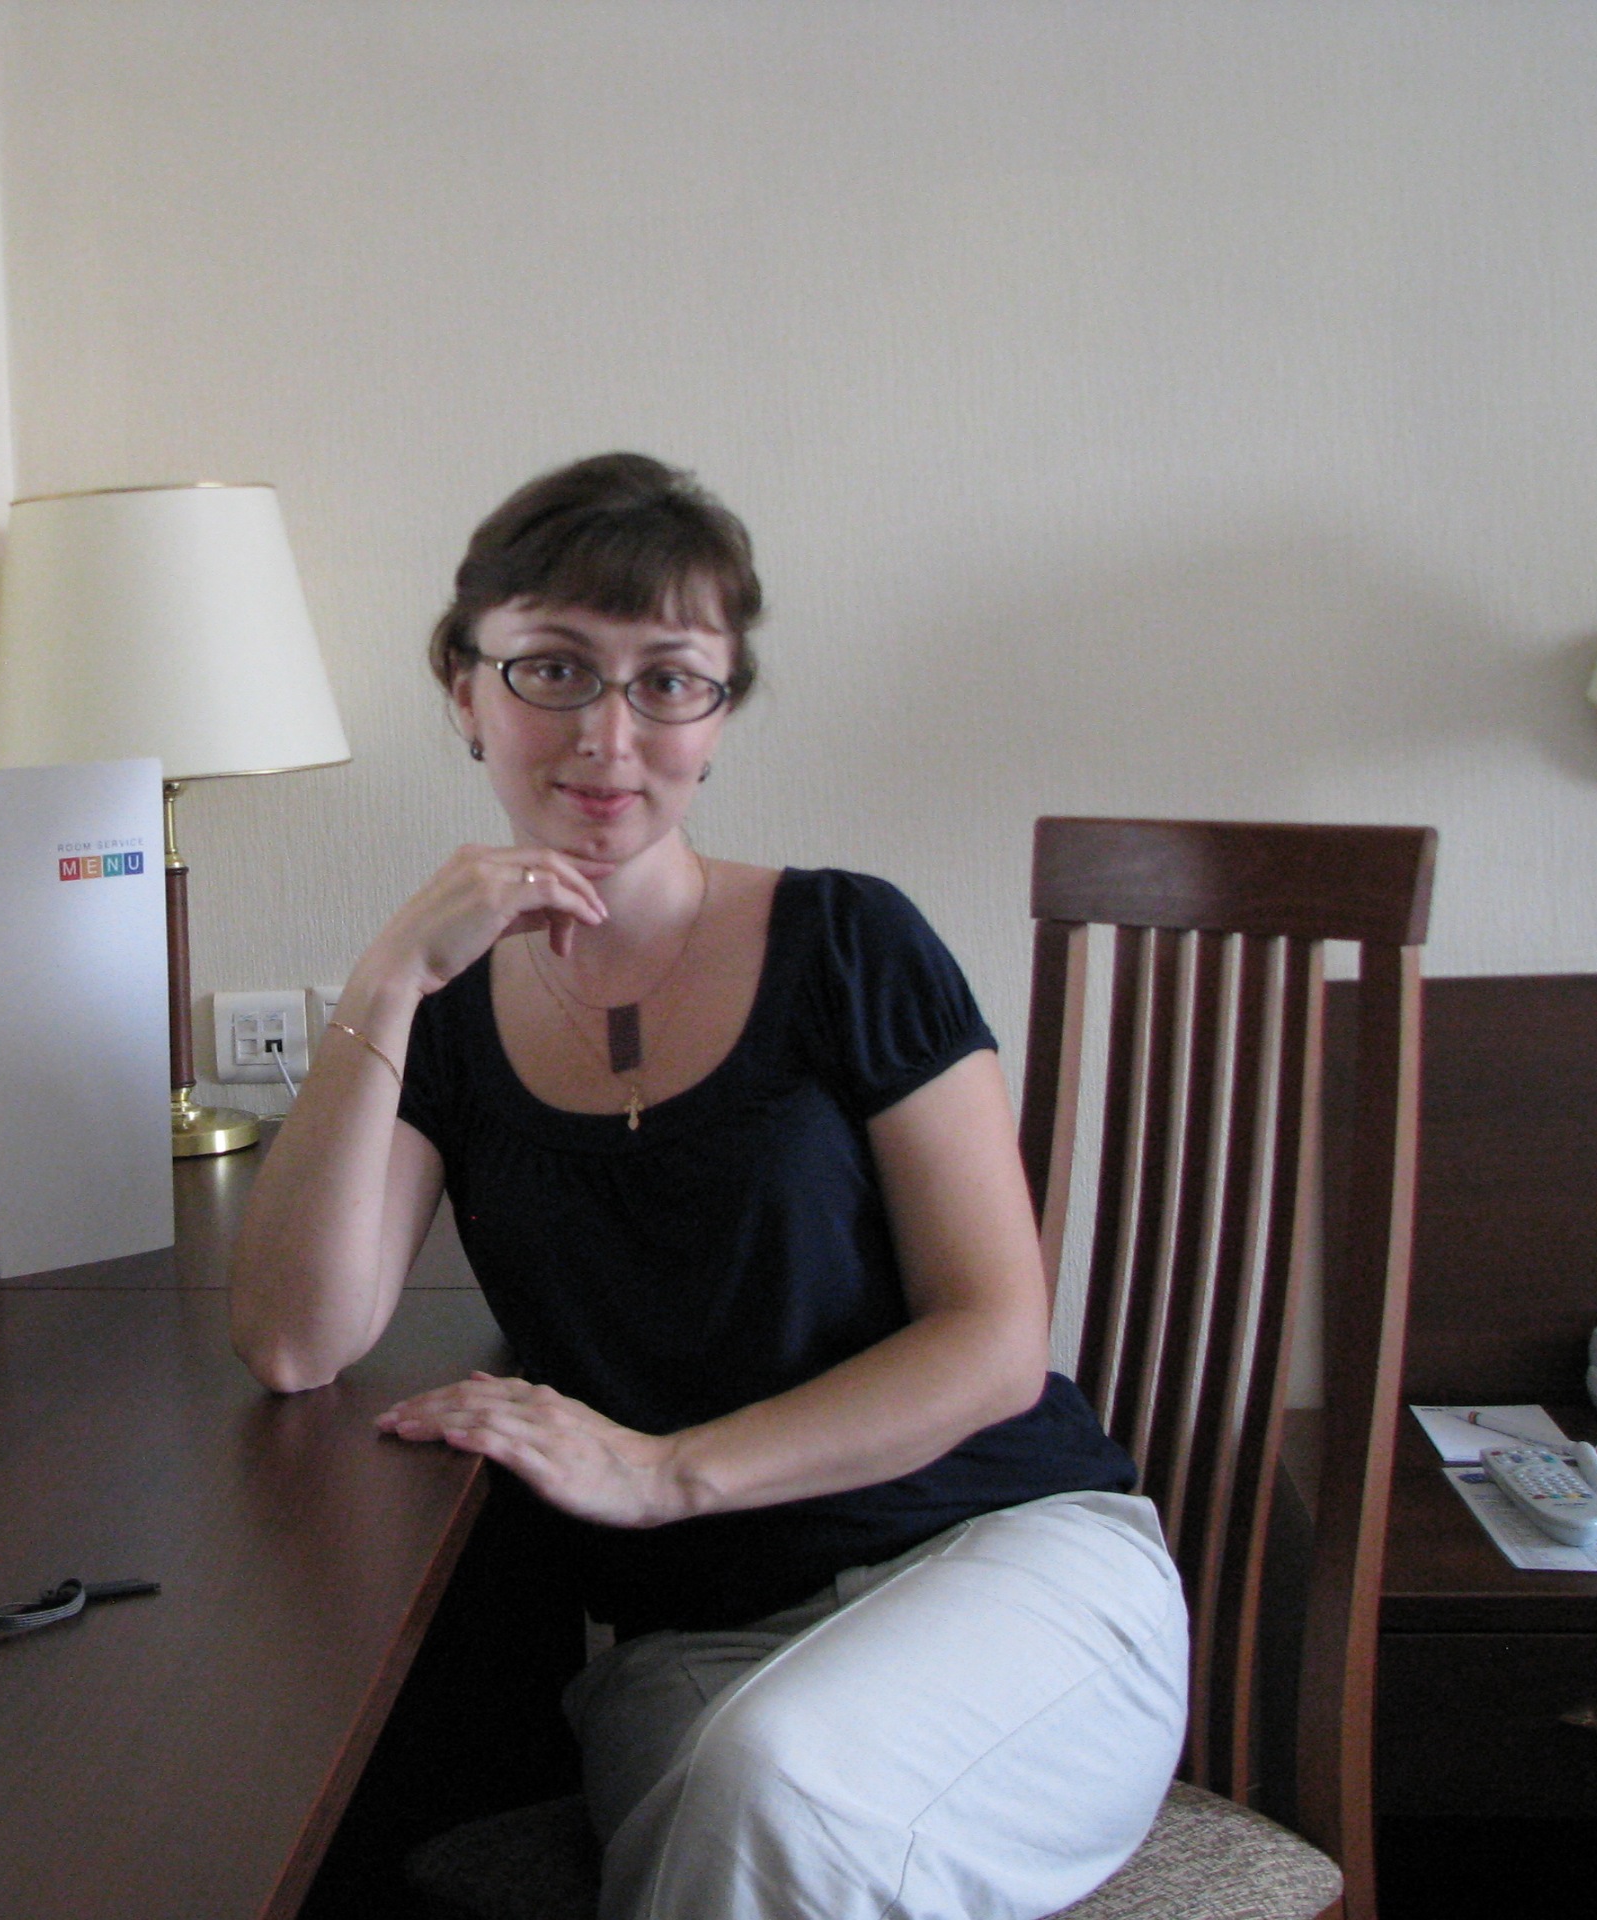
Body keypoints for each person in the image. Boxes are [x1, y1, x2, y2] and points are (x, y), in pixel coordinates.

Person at [229, 453, 1188, 1920]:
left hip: (1008, 1573)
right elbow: (299, 1340)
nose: (607, 735)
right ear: (464, 687)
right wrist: (389, 977)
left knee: (773, 1786)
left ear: (720, 714)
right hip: (699, 1651)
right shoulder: (452, 1019)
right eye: (554, 668)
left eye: (668, 681)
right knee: (754, 1787)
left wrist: (668, 1472)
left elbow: (997, 1342)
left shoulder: (852, 943)